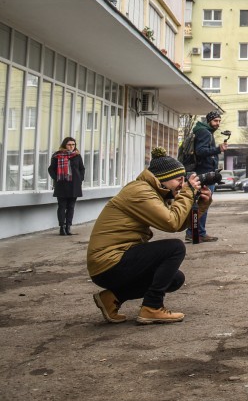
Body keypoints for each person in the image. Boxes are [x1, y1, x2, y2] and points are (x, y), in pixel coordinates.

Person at [87, 154, 211, 324]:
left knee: (175, 279)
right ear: (164, 178)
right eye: (179, 179)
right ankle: (152, 307)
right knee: (175, 248)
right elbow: (172, 223)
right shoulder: (140, 191)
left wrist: (202, 204)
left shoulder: (153, 192)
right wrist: (188, 192)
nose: (182, 184)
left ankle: (111, 298)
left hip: (114, 262)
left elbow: (178, 222)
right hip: (108, 262)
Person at [186, 111, 225, 242]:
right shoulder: (205, 132)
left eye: (219, 121)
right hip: (204, 173)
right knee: (204, 203)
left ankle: (194, 232)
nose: (217, 124)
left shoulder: (204, 131)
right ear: (209, 121)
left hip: (203, 171)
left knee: (200, 203)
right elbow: (200, 151)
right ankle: (197, 232)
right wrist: (218, 149)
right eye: (215, 121)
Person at [48, 137, 85, 236]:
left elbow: (82, 169)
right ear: (65, 145)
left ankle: (68, 227)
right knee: (62, 206)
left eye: (73, 144)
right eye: (69, 144)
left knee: (71, 207)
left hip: (74, 185)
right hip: (62, 184)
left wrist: (80, 179)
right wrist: (57, 178)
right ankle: (62, 227)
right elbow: (51, 169)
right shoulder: (57, 155)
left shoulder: (77, 156)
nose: (71, 146)